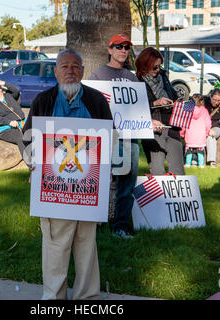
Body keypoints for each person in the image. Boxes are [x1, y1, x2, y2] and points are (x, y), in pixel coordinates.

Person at [22, 49, 113, 299]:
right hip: (53, 191)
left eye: (75, 66)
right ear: (55, 71)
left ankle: (87, 298)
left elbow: (110, 139)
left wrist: (106, 173)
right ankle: (53, 299)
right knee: (55, 248)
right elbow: (27, 140)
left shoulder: (96, 100)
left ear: (83, 71)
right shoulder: (43, 100)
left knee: (86, 247)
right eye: (64, 66)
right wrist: (31, 163)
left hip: (87, 191)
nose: (70, 71)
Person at [89, 33, 139, 239]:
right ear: (110, 49)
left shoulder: (132, 77)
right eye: (119, 46)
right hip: (106, 137)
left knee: (127, 183)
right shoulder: (98, 76)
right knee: (99, 180)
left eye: (127, 48)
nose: (123, 51)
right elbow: (91, 107)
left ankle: (121, 226)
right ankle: (94, 223)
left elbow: (139, 108)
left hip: (129, 137)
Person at [135, 47, 185, 176]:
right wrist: (155, 103)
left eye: (159, 66)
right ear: (145, 66)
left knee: (178, 171)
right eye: (154, 67)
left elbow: (173, 94)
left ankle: (177, 196)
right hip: (154, 129)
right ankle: (158, 196)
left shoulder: (163, 75)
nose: (157, 71)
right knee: (157, 172)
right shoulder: (137, 81)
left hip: (173, 126)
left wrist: (177, 101)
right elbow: (135, 108)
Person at [0, 79, 26, 157]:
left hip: (21, 123)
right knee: (20, 137)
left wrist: (2, 83)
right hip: (3, 128)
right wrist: (9, 122)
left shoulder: (9, 96)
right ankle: (31, 164)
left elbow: (15, 90)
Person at [180, 94, 212, 168]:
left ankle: (187, 163)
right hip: (201, 136)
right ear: (201, 101)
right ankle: (201, 165)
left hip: (189, 136)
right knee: (200, 152)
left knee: (189, 151)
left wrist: (182, 134)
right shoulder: (204, 110)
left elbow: (183, 124)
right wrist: (207, 132)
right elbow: (208, 123)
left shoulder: (187, 109)